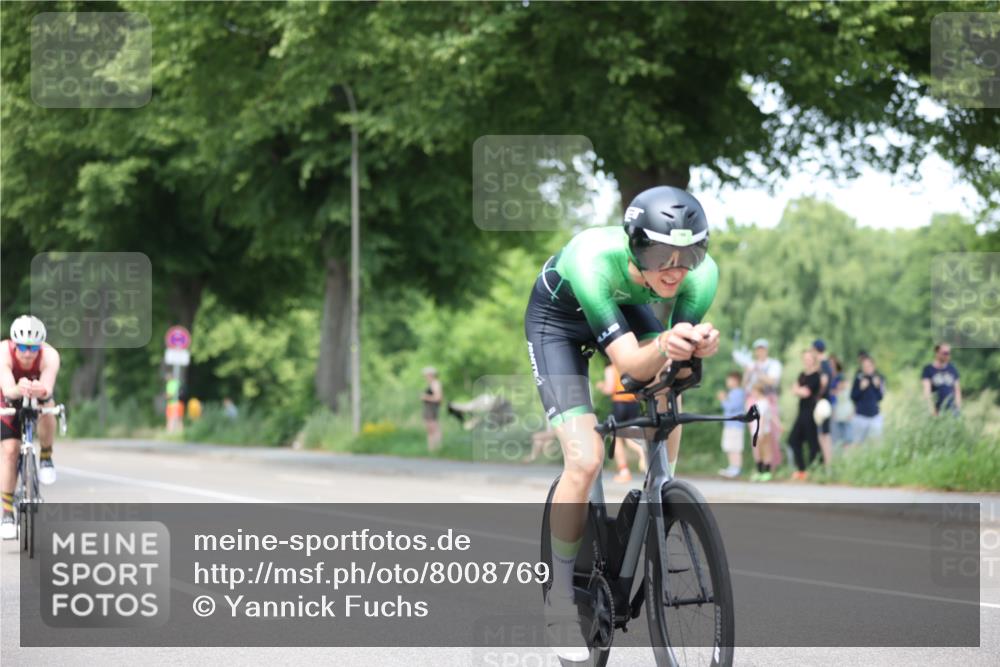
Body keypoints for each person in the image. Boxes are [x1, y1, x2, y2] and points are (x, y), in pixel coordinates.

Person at [524, 185, 719, 661]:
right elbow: (631, 364)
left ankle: (661, 498)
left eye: (689, 255)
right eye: (660, 255)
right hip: (558, 324)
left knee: (669, 389)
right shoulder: (593, 259)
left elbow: (669, 366)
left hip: (624, 306)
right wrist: (668, 343)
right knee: (586, 459)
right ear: (636, 246)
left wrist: (693, 346)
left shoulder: (701, 277)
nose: (674, 269)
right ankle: (560, 601)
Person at [1, 316, 61, 539]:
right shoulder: (3, 352)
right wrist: (19, 388)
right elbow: (8, 389)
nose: (28, 353)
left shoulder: (50, 355)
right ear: (14, 344)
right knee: (10, 450)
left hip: (37, 394)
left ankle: (46, 456)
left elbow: (48, 388)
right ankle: (7, 512)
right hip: (8, 396)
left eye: (34, 348)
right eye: (23, 347)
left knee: (48, 407)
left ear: (41, 346)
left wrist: (40, 390)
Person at [596, 363, 647, 484]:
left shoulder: (611, 368)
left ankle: (624, 471)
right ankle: (641, 450)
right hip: (633, 404)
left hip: (620, 405)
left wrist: (601, 386)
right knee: (628, 436)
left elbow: (609, 389)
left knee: (616, 438)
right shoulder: (630, 366)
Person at [739, 338, 783, 475]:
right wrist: (748, 371)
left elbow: (772, 381)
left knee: (770, 435)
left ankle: (771, 466)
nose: (760, 351)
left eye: (762, 348)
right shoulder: (751, 365)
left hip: (768, 400)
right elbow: (744, 385)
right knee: (756, 436)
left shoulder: (773, 364)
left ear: (766, 350)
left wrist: (757, 372)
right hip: (753, 401)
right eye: (758, 349)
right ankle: (759, 465)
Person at [788, 348, 822, 481]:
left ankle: (815, 469)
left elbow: (806, 393)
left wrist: (798, 390)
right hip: (801, 411)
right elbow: (794, 390)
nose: (807, 361)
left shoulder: (816, 376)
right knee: (793, 440)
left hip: (811, 412)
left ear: (813, 360)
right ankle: (802, 470)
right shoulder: (802, 374)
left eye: (809, 359)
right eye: (805, 359)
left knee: (812, 442)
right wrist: (798, 390)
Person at [850, 355, 885, 445]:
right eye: (865, 366)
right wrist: (861, 388)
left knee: (876, 443)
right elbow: (853, 396)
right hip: (861, 416)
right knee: (857, 443)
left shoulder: (878, 378)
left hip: (874, 415)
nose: (867, 368)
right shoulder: (858, 379)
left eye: (869, 366)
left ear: (873, 366)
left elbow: (880, 397)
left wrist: (877, 387)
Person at [717, 371, 746, 479]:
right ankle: (732, 467)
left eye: (729, 380)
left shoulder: (739, 393)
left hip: (735, 425)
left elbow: (730, 407)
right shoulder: (732, 392)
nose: (727, 382)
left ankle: (736, 469)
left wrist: (723, 399)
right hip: (729, 424)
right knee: (729, 446)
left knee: (735, 447)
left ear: (736, 381)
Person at [922, 343, 961, 416]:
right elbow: (927, 392)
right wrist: (932, 410)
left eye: (949, 353)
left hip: (952, 411)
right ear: (937, 353)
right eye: (945, 353)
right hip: (937, 410)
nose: (948, 355)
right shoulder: (928, 369)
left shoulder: (952, 369)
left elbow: (957, 390)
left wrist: (958, 408)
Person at [812, 339, 834, 468]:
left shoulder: (823, 365)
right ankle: (827, 464)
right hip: (825, 401)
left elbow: (824, 382)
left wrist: (818, 395)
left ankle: (828, 464)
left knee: (824, 435)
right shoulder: (826, 364)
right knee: (824, 434)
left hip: (823, 402)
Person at [829, 355, 853, 448]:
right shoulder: (828, 375)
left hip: (839, 407)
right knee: (835, 434)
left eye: (833, 363)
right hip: (831, 406)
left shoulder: (840, 376)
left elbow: (842, 389)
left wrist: (832, 391)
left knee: (846, 434)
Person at [420, 366, 443, 452]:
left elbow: (438, 398)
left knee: (434, 428)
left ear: (430, 375)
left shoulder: (435, 384)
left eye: (426, 375)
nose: (425, 377)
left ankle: (437, 448)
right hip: (429, 408)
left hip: (432, 409)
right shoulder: (432, 384)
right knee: (430, 429)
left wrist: (425, 397)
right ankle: (432, 449)